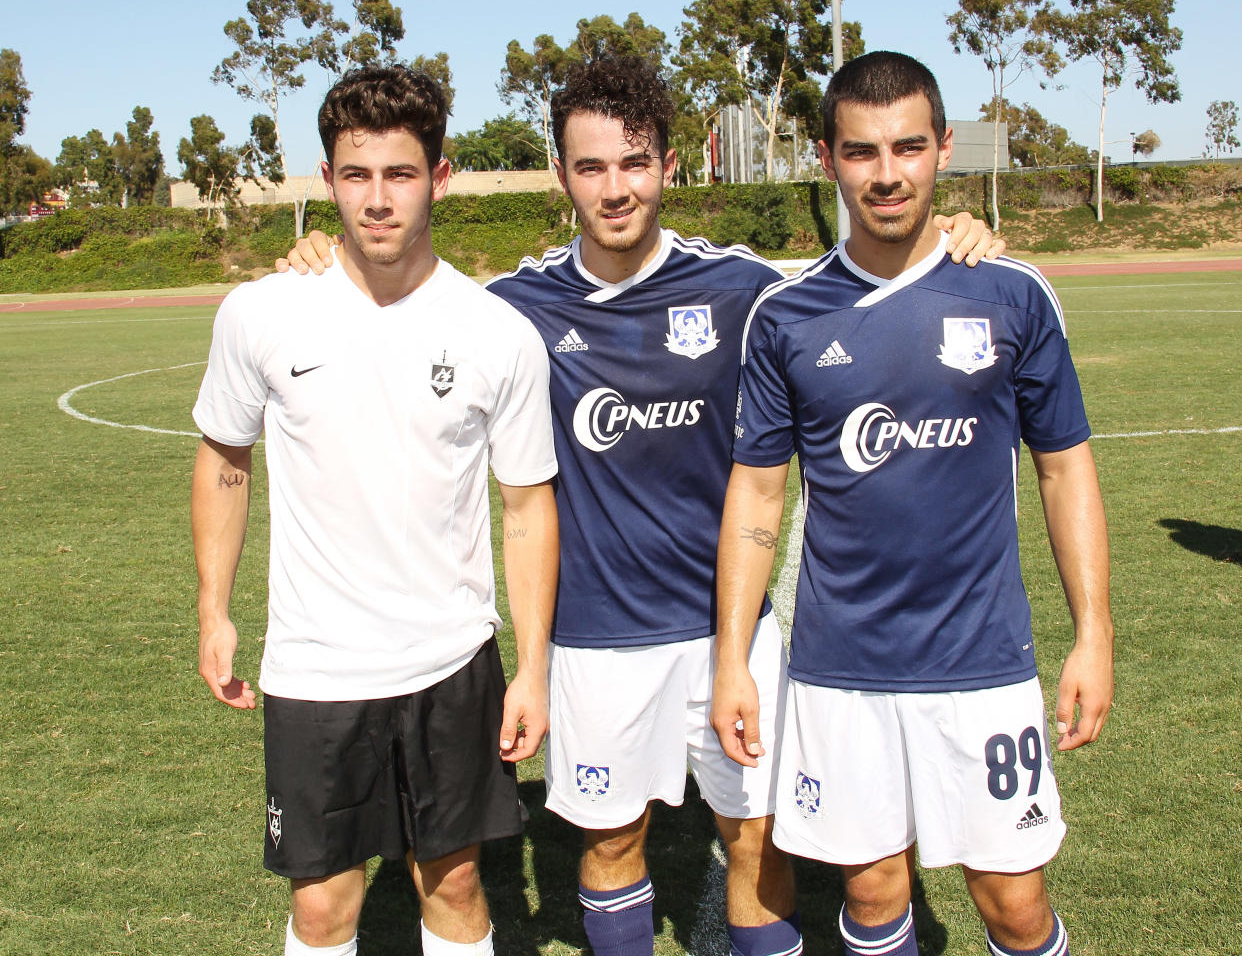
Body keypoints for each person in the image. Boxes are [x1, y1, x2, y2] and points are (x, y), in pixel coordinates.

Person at [280, 56, 1003, 956]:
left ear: (667, 165)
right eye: (591, 167)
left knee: (755, 834)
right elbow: (410, 290)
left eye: (632, 163)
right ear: (562, 176)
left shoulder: (744, 289)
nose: (614, 189)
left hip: (728, 635)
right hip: (593, 641)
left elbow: (863, 273)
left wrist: (959, 236)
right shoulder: (515, 308)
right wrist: (324, 252)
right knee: (612, 840)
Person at [713, 51, 1113, 956]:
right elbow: (758, 495)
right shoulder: (787, 316)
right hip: (839, 668)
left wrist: (1094, 633)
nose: (886, 174)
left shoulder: (1011, 293)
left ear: (942, 149)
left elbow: (1064, 470)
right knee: (873, 892)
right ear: (828, 159)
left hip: (982, 661)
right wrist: (734, 657)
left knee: (1013, 903)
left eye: (907, 148)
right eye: (861, 152)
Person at [191, 65, 559, 956]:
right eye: (356, 175)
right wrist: (213, 608)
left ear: (438, 177)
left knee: (458, 882)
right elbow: (224, 459)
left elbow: (526, 507)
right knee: (322, 907)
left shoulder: (496, 331)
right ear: (328, 182)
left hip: (450, 659)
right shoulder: (262, 314)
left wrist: (533, 666)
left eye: (399, 174)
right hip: (315, 668)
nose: (377, 199)